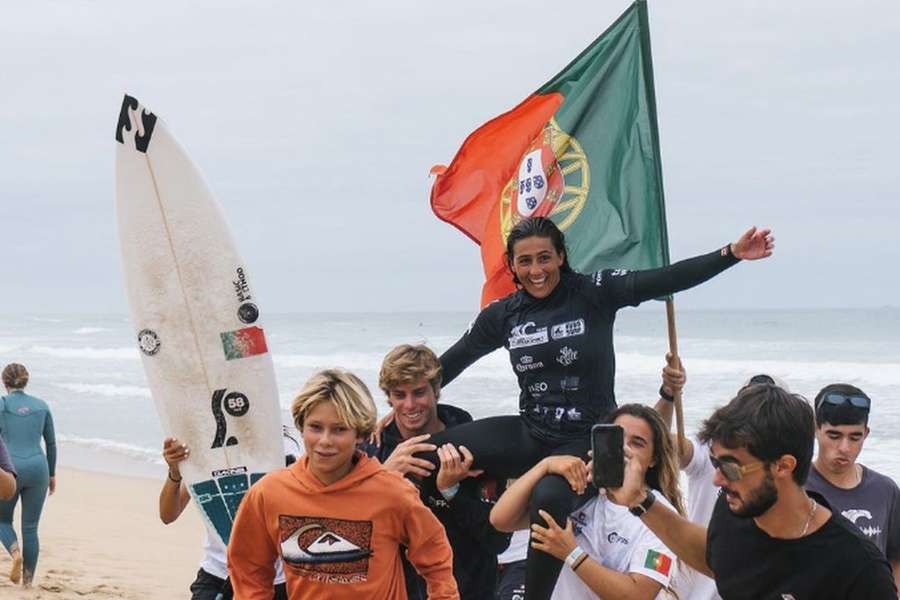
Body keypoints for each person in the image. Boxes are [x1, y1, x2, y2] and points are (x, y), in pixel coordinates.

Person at [407, 216, 774, 599]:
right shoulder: (504, 314)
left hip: (588, 437)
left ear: (562, 257)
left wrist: (730, 254)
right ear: (512, 266)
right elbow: (449, 363)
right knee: (426, 455)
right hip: (532, 430)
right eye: (526, 261)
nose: (537, 271)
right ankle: (488, 535)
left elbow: (664, 279)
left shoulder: (593, 292)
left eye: (545, 258)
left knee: (548, 499)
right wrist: (409, 404)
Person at [607, 383, 897, 599]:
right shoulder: (734, 512)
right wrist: (639, 500)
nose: (718, 480)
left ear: (783, 466)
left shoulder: (860, 571)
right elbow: (715, 558)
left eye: (731, 468)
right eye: (714, 463)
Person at [228, 368, 459, 599]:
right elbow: (247, 566)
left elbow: (434, 554)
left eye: (339, 429)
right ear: (301, 426)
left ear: (359, 433)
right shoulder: (269, 493)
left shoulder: (393, 492)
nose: (325, 441)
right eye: (315, 427)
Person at [361, 344, 510, 600]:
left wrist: (452, 493)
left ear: (437, 390)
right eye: (399, 395)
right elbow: (353, 535)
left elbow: (498, 539)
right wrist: (384, 479)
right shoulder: (372, 451)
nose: (409, 405)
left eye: (419, 393)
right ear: (388, 397)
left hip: (470, 589)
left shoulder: (474, 444)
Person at [491, 404, 684, 600]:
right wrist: (545, 465)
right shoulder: (580, 489)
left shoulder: (659, 513)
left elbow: (638, 595)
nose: (624, 448)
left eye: (637, 443)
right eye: (616, 439)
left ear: (654, 458)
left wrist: (571, 553)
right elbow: (501, 520)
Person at [652, 357, 789, 600]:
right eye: (747, 404)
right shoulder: (709, 452)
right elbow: (657, 442)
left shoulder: (785, 471)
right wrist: (669, 394)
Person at [158, 437, 289, 600]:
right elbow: (168, 515)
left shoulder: (281, 448)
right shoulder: (206, 453)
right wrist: (175, 473)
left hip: (274, 581)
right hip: (217, 574)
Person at [806, 384, 900, 588]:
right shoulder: (796, 488)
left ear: (866, 433)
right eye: (834, 436)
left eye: (855, 437)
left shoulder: (885, 490)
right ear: (816, 428)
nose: (844, 448)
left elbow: (896, 557)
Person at [0, 363, 56, 587]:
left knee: (2, 519)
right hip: (38, 468)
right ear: (26, 380)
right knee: (31, 527)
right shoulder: (42, 406)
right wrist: (51, 474)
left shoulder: (2, 405)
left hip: (9, 470)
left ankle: (15, 554)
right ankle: (28, 583)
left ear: (4, 383)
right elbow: (50, 443)